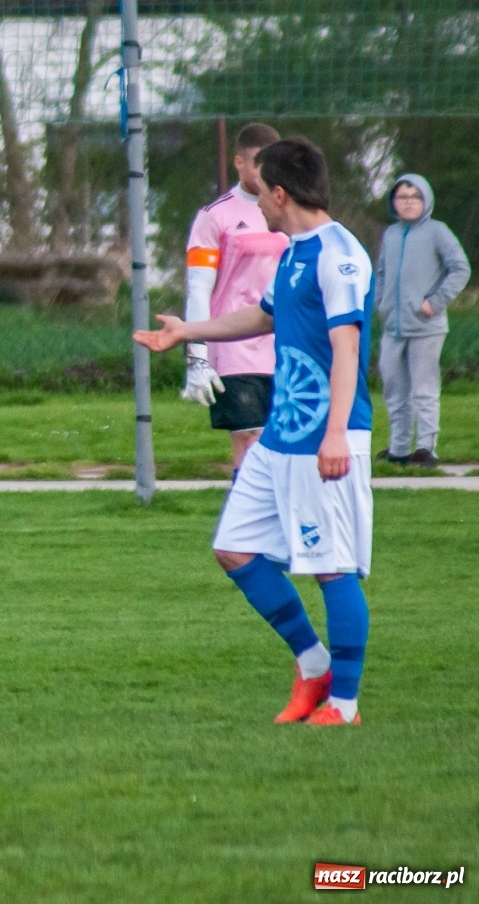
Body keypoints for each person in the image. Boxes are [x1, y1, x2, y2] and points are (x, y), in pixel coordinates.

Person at [135, 137, 374, 728]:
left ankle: (344, 705)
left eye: (260, 191)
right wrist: (188, 333)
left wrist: (337, 434)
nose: (256, 202)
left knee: (331, 566)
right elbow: (263, 315)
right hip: (279, 435)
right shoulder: (293, 251)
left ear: (282, 193)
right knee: (234, 547)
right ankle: (313, 664)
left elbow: (347, 349)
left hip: (325, 436)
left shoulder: (338, 254)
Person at [181, 123, 289, 473]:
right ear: (239, 162)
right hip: (233, 346)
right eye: (258, 161)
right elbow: (199, 287)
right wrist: (197, 355)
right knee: (249, 436)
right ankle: (246, 514)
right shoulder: (214, 217)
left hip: (284, 343)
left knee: (285, 443)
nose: (264, 171)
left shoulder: (288, 212)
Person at [374, 174, 471, 467]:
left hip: (426, 326)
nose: (408, 203)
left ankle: (426, 448)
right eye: (402, 197)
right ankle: (399, 449)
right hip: (393, 327)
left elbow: (460, 269)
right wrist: (382, 303)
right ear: (394, 202)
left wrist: (436, 301)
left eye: (414, 197)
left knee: (423, 389)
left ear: (425, 200)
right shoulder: (390, 234)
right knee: (394, 389)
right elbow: (381, 273)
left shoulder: (437, 232)